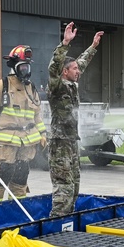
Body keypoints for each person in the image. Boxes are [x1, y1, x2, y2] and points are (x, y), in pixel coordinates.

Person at [47, 21, 103, 218]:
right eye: (74, 69)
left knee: (74, 186)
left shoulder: (72, 84)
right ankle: (55, 224)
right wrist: (64, 44)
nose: (78, 71)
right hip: (59, 143)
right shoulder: (57, 85)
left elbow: (81, 62)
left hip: (71, 143)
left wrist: (93, 46)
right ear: (65, 72)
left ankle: (67, 222)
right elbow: (54, 67)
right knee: (64, 189)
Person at [0, 45, 48, 202]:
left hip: (27, 141)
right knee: (4, 173)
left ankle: (17, 208)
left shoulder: (31, 88)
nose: (26, 70)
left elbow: (37, 114)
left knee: (21, 174)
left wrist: (43, 134)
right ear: (14, 67)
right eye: (23, 67)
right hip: (7, 141)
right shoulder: (1, 86)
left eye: (27, 67)